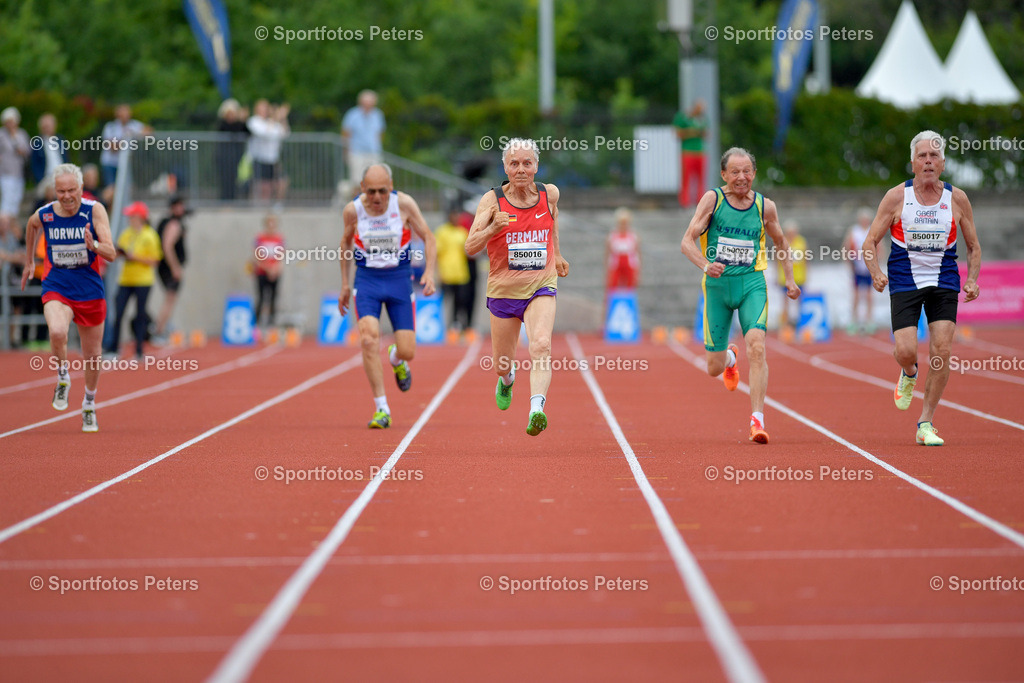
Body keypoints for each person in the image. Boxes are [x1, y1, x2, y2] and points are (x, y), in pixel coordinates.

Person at [862, 130, 981, 447]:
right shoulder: (896, 197)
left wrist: (972, 279)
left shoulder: (956, 199)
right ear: (912, 163)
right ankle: (909, 371)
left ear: (943, 163)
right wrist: (875, 272)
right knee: (906, 351)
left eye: (934, 156)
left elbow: (973, 246)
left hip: (943, 279)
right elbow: (870, 242)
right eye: (922, 156)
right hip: (904, 278)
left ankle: (926, 421)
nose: (928, 161)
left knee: (942, 352)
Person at [681, 147, 800, 444]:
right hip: (718, 288)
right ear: (723, 174)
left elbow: (781, 241)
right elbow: (686, 242)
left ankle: (757, 420)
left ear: (754, 173)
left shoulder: (764, 206)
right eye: (734, 172)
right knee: (713, 368)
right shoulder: (713, 200)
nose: (741, 177)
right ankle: (730, 358)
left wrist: (790, 279)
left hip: (752, 284)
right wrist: (706, 265)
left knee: (758, 347)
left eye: (747, 171)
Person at [465, 138, 570, 436]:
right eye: (514, 164)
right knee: (501, 363)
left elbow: (553, 220)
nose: (521, 169)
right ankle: (507, 379)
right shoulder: (491, 201)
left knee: (540, 345)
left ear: (536, 166)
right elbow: (470, 246)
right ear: (505, 167)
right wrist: (492, 228)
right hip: (503, 291)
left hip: (541, 283)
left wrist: (558, 254)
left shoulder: (549, 194)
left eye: (527, 163)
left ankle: (536, 409)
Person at [339, 164, 436, 429]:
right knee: (368, 338)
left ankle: (396, 359)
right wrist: (345, 285)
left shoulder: (403, 204)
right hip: (367, 280)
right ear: (362, 189)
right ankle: (382, 409)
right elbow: (345, 243)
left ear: (391, 188)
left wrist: (429, 272)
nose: (377, 198)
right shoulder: (353, 210)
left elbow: (428, 237)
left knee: (408, 351)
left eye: (382, 191)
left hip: (399, 280)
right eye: (371, 192)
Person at [20, 163, 116, 432]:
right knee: (58, 332)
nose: (66, 196)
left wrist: (93, 245)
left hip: (88, 289)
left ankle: (88, 403)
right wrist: (29, 262)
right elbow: (30, 224)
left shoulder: (94, 210)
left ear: (81, 188)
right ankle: (63, 378)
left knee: (92, 355)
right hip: (57, 284)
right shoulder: (47, 214)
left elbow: (111, 252)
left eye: (71, 190)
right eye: (61, 191)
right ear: (55, 191)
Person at [104, 201, 162, 359]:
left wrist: (133, 257)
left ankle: (139, 350)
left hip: (143, 281)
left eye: (132, 215)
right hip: (125, 280)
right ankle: (113, 349)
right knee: (119, 313)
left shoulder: (150, 235)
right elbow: (117, 254)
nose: (129, 218)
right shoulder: (127, 234)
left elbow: (155, 260)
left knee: (140, 315)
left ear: (140, 217)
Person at [153, 196, 190, 343]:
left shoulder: (166, 222)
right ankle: (160, 331)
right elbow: (167, 246)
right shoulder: (173, 224)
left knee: (169, 299)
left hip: (165, 267)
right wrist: (175, 267)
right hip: (168, 268)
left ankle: (163, 327)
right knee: (170, 299)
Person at [435, 207, 472, 332]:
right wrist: (437, 272)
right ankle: (441, 326)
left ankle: (454, 325)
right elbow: (436, 252)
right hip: (446, 273)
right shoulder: (442, 232)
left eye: (457, 216)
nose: (456, 218)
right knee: (445, 302)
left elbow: (469, 251)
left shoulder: (462, 232)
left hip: (461, 274)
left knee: (460, 301)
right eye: (454, 216)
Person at [247, 100, 290, 204]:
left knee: (282, 183)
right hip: (261, 158)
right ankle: (261, 207)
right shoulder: (254, 121)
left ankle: (276, 206)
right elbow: (264, 133)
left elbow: (285, 133)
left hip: (274, 159)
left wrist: (283, 118)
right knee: (264, 186)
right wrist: (274, 118)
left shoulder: (274, 122)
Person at [100, 104, 151, 187]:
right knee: (111, 188)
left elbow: (149, 131)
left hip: (125, 164)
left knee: (125, 189)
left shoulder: (134, 125)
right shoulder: (110, 127)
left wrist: (135, 135)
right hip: (110, 164)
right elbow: (113, 148)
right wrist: (127, 139)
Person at [341, 89, 386, 181]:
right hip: (356, 152)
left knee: (375, 180)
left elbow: (380, 133)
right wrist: (346, 150)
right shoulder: (352, 114)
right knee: (357, 180)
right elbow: (346, 133)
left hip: (374, 152)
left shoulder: (378, 114)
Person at [846, 207, 876, 334]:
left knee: (869, 296)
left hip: (869, 267)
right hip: (857, 266)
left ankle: (869, 321)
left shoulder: (872, 230)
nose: (864, 221)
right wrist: (849, 264)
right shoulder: (854, 231)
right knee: (857, 296)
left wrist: (876, 266)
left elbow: (879, 247)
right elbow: (847, 247)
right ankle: (854, 321)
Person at [673, 99, 707, 209]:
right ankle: (685, 202)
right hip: (687, 152)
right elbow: (678, 133)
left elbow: (706, 133)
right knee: (686, 178)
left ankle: (700, 201)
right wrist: (692, 132)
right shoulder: (684, 117)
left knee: (701, 179)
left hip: (700, 152)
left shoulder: (703, 119)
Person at [252, 213, 284, 328]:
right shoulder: (259, 238)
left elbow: (280, 256)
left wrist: (275, 269)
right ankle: (256, 324)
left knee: (273, 299)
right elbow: (256, 257)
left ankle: (271, 324)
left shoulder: (279, 238)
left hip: (275, 273)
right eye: (269, 223)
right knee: (261, 298)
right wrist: (267, 269)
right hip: (262, 272)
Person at [1, 107, 30, 225]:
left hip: (19, 172)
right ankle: (4, 228)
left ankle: (11, 229)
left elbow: (27, 151)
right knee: (7, 202)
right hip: (5, 172)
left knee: (15, 202)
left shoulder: (22, 134)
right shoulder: (1, 135)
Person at [776, 219, 807, 332]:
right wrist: (777, 275)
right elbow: (777, 259)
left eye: (793, 231)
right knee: (785, 302)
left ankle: (800, 324)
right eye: (789, 232)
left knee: (800, 301)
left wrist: (807, 273)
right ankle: (785, 325)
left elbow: (806, 259)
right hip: (785, 278)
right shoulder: (782, 242)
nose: (791, 234)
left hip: (799, 277)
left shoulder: (801, 242)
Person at [216, 99, 250, 201]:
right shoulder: (222, 124)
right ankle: (224, 199)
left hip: (236, 157)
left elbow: (247, 132)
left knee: (234, 179)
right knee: (224, 180)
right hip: (223, 157)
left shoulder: (239, 124)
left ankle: (233, 199)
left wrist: (243, 121)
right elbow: (230, 129)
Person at [30, 113, 67, 196]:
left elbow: (66, 158)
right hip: (45, 178)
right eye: (45, 126)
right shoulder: (37, 142)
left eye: (49, 126)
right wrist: (39, 179)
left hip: (61, 176)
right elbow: (34, 163)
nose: (47, 129)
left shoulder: (60, 140)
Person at [606, 207, 641, 291]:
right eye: (621, 223)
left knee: (630, 288)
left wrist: (638, 273)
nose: (623, 225)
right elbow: (607, 254)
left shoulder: (633, 236)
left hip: (629, 265)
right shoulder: (612, 236)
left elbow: (637, 254)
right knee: (613, 287)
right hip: (616, 265)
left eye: (625, 223)